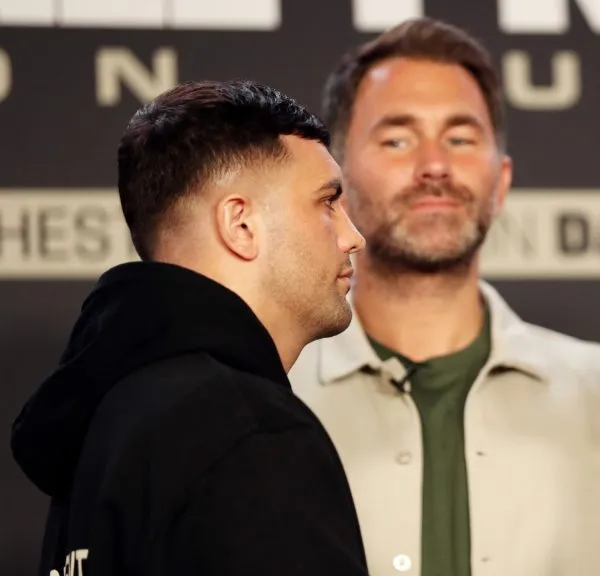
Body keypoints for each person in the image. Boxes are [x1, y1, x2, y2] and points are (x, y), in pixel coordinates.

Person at [288, 17, 600, 576]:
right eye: (397, 139)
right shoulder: (267, 390)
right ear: (336, 182)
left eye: (460, 139)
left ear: (501, 181)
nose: (434, 166)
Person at [10, 79, 370, 576]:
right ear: (240, 224)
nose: (354, 237)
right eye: (327, 202)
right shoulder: (249, 433)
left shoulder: (103, 420)